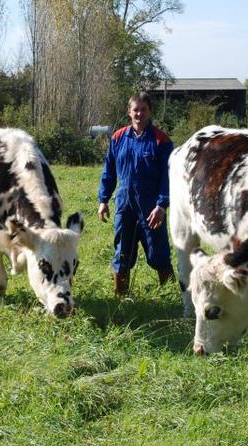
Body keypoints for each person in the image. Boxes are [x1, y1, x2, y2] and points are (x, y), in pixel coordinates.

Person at [97, 91, 175, 296]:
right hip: (124, 206)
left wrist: (162, 205)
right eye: (135, 110)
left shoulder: (161, 140)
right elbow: (109, 171)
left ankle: (170, 297)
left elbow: (168, 177)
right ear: (129, 112)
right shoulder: (118, 137)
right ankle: (121, 297)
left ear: (150, 111)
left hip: (151, 208)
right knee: (122, 252)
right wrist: (103, 200)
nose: (139, 114)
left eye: (143, 110)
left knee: (159, 252)